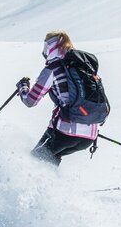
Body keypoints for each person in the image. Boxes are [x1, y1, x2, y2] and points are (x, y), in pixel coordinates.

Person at [17, 31, 99, 166]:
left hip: (66, 132)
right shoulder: (83, 66)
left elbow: (30, 101)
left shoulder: (52, 70)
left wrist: (23, 87)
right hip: (89, 136)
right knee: (51, 158)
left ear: (49, 47)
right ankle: (52, 186)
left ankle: (35, 187)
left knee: (33, 160)